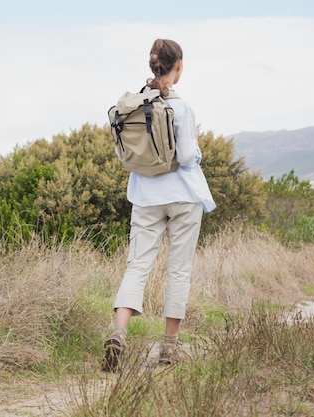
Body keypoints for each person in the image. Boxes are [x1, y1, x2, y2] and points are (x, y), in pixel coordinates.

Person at [102, 38, 216, 372]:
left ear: (153, 66)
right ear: (178, 66)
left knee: (137, 265)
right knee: (178, 269)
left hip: (145, 195)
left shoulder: (134, 104)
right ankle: (168, 348)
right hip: (183, 197)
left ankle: (119, 331)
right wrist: (197, 153)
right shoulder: (182, 108)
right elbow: (184, 157)